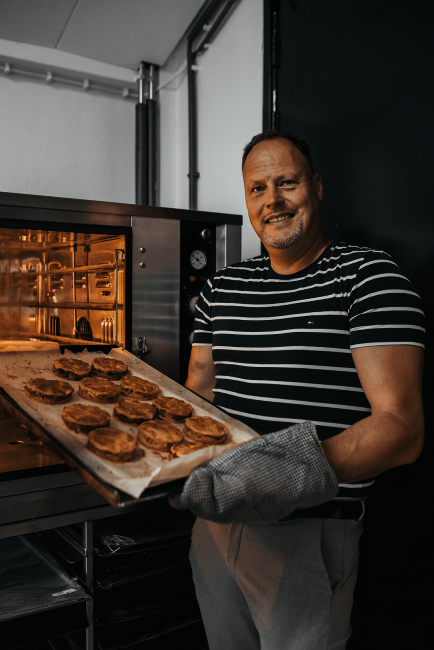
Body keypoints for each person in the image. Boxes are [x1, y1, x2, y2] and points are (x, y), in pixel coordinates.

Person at [184, 130, 425, 650]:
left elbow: (403, 430)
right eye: (257, 188)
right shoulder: (220, 290)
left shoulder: (368, 278)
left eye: (287, 182)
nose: (272, 200)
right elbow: (194, 399)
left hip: (308, 535)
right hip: (214, 528)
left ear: (315, 186)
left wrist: (281, 472)